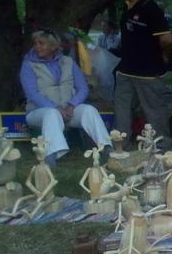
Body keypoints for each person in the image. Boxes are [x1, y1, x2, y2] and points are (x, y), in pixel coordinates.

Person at [19, 29, 112, 166]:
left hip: (68, 110)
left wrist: (72, 105)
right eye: (35, 43)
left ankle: (107, 148)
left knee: (89, 110)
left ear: (53, 46)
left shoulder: (68, 62)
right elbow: (32, 94)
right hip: (38, 112)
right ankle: (51, 157)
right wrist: (57, 108)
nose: (37, 46)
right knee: (52, 113)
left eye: (41, 43)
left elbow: (83, 88)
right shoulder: (28, 65)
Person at [113, 0, 172, 147]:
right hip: (126, 69)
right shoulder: (127, 7)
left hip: (148, 71)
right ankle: (121, 145)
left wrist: (161, 53)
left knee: (154, 109)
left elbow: (166, 39)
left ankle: (161, 144)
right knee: (122, 107)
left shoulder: (150, 8)